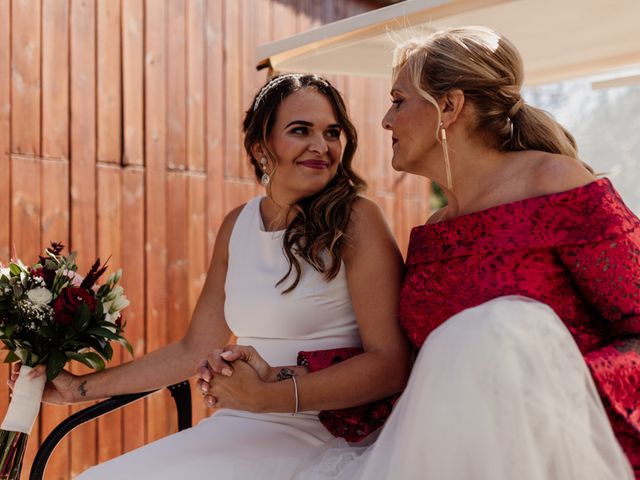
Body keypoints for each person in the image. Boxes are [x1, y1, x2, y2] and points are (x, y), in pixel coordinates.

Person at [206, 27, 640, 479]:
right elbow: (417, 369)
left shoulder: (556, 183)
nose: (386, 120)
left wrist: (547, 398)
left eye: (399, 100)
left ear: (448, 108)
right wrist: (274, 376)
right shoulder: (434, 231)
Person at [13, 73, 411, 478]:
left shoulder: (358, 221)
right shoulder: (237, 224)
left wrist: (270, 397)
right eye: (300, 130)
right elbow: (193, 349)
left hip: (329, 430)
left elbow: (391, 363)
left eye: (332, 132)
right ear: (261, 147)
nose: (321, 146)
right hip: (242, 423)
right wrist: (80, 388)